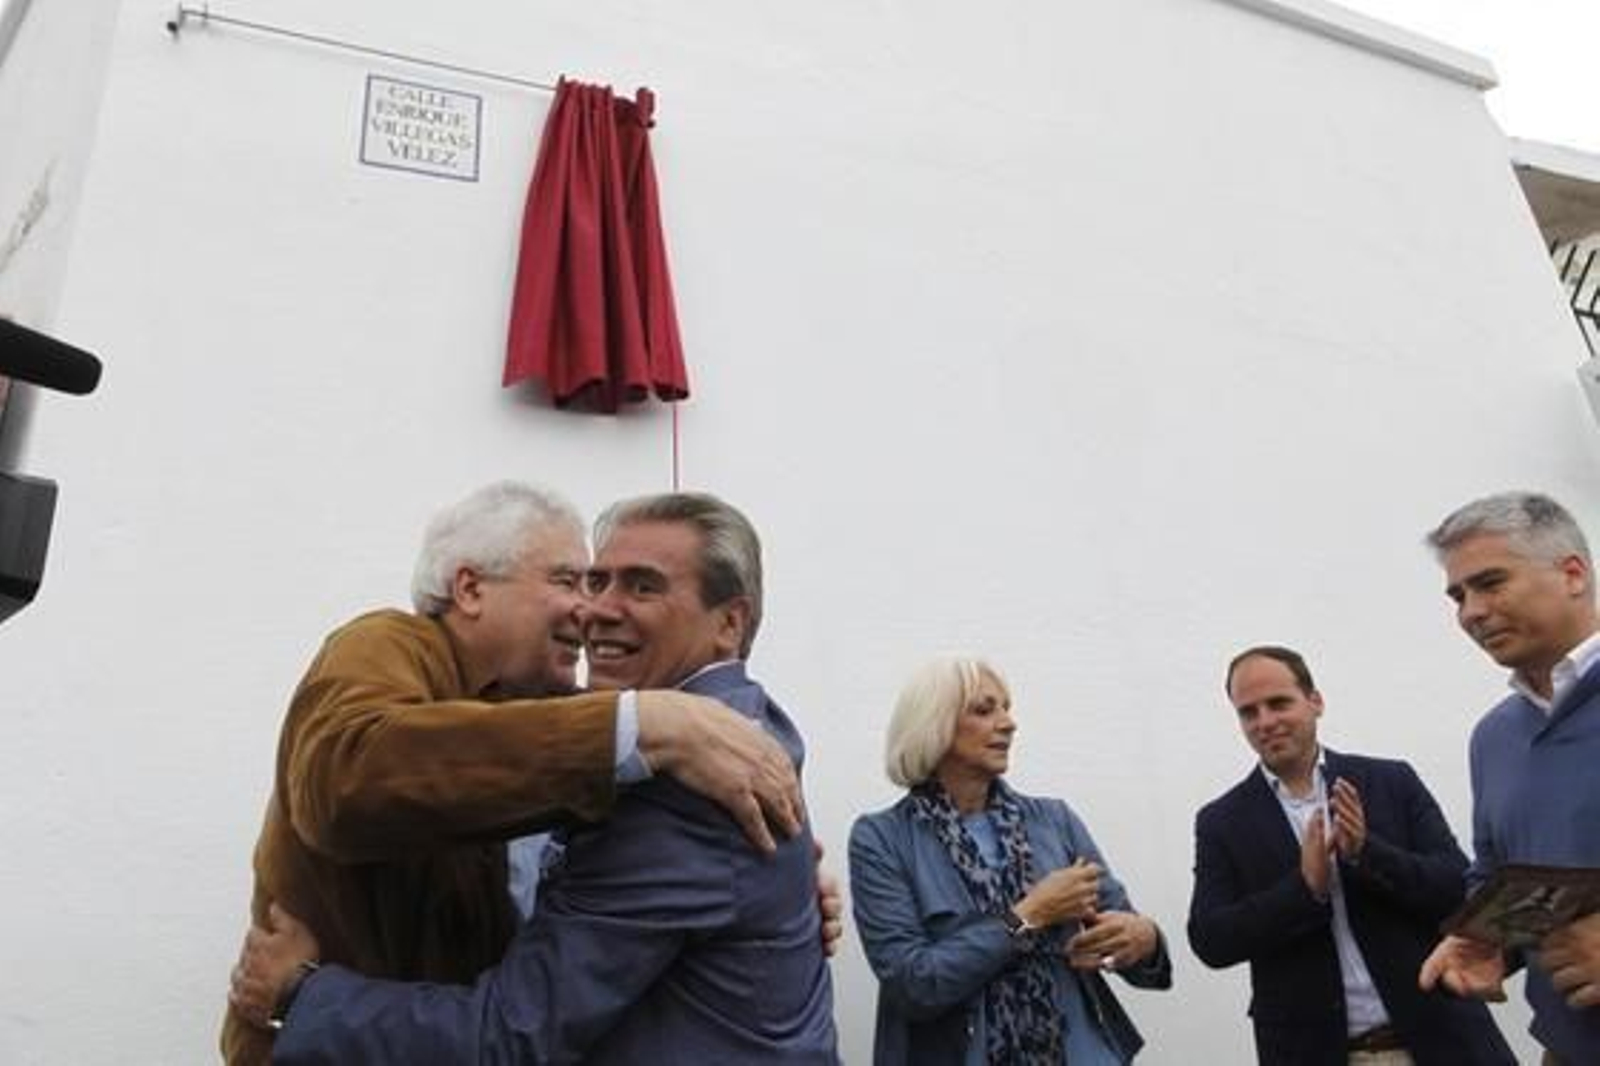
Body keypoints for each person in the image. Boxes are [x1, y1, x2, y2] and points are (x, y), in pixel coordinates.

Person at [233, 492, 839, 1064]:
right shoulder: (385, 644)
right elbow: (346, 778)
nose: (592, 608)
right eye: (574, 581)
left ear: (729, 623)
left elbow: (516, 1028)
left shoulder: (682, 762)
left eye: (639, 585)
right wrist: (644, 723)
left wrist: (774, 893)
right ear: (469, 588)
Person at [1188, 645, 1512, 1065]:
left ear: (1315, 701)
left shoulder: (1390, 781)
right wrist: (1304, 889)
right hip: (1316, 1052)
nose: (1265, 721)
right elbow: (1211, 940)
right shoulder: (1222, 821)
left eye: (1279, 703)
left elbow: (1458, 889)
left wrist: (1366, 853)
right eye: (1249, 712)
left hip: (1441, 1039)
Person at [849, 656, 1170, 1065]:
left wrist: (1143, 939)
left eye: (1006, 708)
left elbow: (1128, 938)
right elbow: (913, 985)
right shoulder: (881, 838)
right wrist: (1028, 915)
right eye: (985, 710)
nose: (1008, 722)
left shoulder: (1055, 820)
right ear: (934, 725)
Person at [1418, 491, 1600, 1064]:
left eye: (1490, 583)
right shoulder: (1493, 738)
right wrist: (1491, 940)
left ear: (1572, 574)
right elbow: (1495, 871)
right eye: (1458, 595)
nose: (1470, 611)